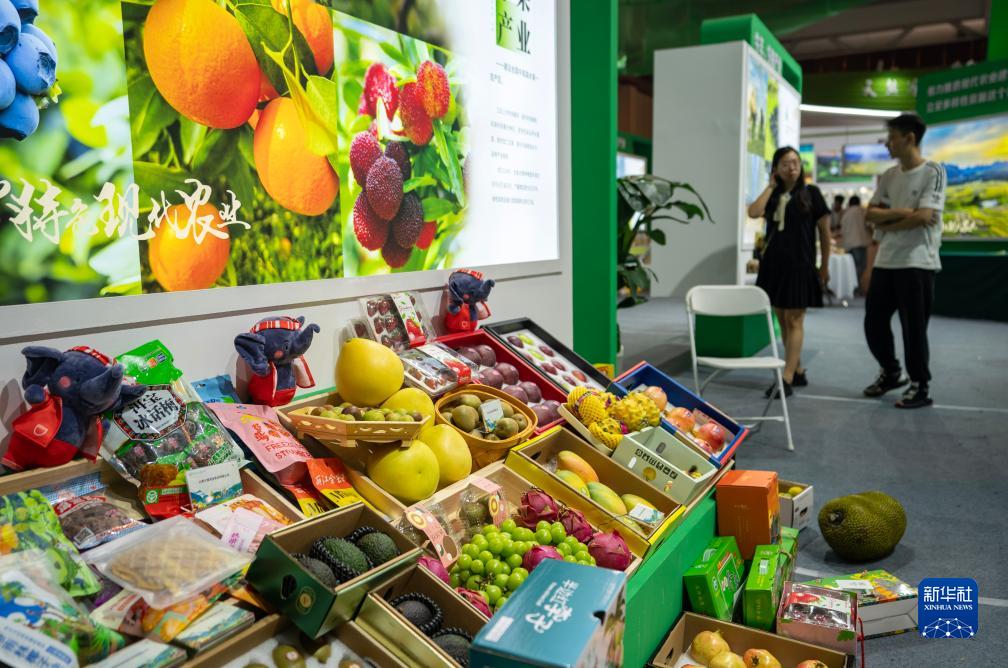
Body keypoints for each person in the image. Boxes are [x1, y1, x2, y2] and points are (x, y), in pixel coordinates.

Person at [863, 113, 945, 409]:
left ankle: (920, 384)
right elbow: (870, 214)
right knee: (873, 323)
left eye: (892, 138)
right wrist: (905, 213)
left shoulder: (933, 171)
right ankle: (891, 371)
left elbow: (925, 217)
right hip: (887, 260)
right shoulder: (889, 176)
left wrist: (888, 222)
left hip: (917, 262)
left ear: (909, 138)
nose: (887, 144)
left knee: (914, 328)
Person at [748, 146, 832, 398]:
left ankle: (786, 377)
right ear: (776, 169)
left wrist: (824, 265)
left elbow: (825, 233)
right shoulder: (773, 194)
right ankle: (798, 369)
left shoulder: (811, 193)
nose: (792, 167)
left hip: (800, 265)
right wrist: (771, 186)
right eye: (785, 163)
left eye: (795, 162)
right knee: (783, 319)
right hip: (774, 267)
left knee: (795, 320)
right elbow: (753, 212)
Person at [838, 195, 872, 292]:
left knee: (851, 267)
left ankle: (851, 287)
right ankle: (855, 287)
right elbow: (869, 226)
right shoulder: (862, 212)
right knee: (860, 266)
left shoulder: (845, 213)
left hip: (848, 244)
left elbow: (842, 230)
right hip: (859, 243)